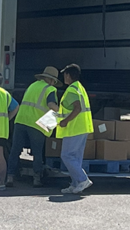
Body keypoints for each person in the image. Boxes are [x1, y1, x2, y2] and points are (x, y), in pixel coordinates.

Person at [7, 66, 61, 187]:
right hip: (37, 124)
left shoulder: (32, 85)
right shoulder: (50, 89)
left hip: (20, 121)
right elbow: (51, 104)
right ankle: (37, 179)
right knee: (37, 153)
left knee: (15, 150)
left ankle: (10, 177)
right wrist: (61, 113)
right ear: (52, 80)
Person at [56, 64, 94, 194]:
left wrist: (65, 121)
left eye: (64, 74)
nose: (63, 77)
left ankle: (82, 179)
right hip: (82, 127)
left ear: (68, 75)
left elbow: (77, 108)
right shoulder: (79, 88)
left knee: (66, 155)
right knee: (76, 158)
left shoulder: (72, 90)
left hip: (74, 128)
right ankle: (75, 183)